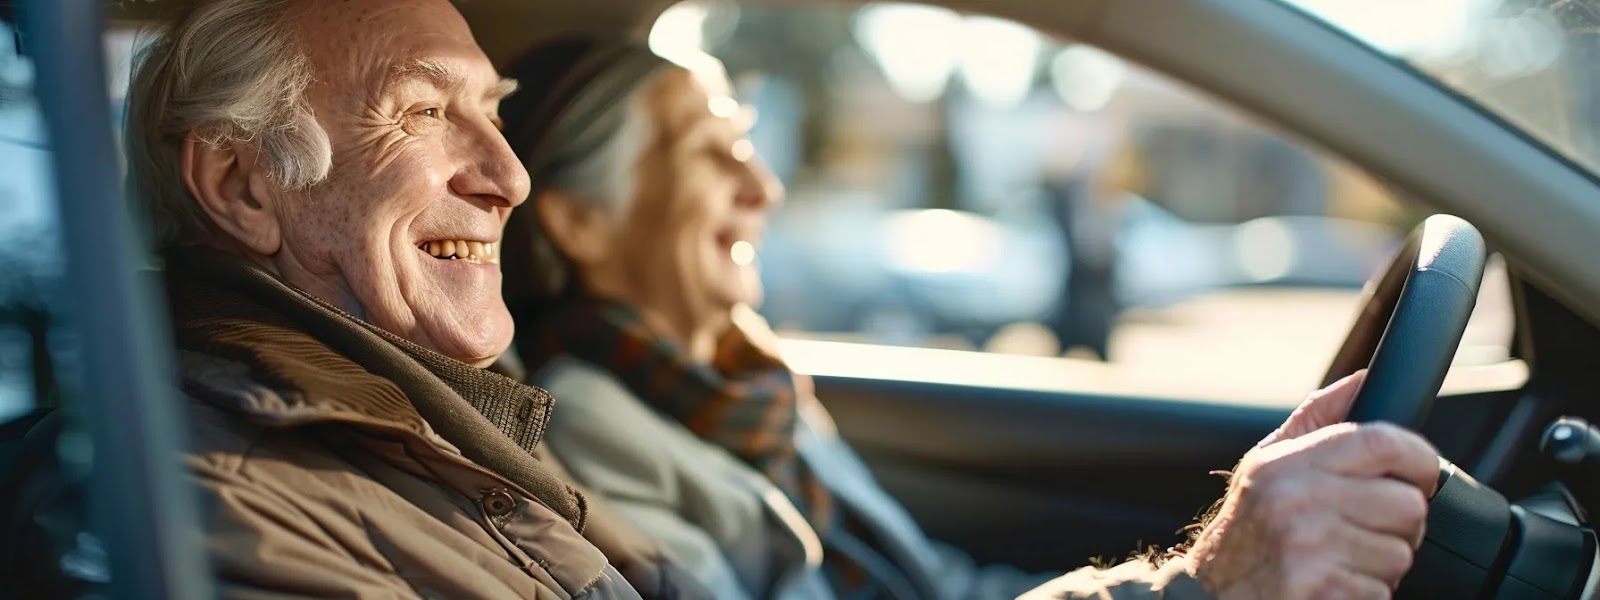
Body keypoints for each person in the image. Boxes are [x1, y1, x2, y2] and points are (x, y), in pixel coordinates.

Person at [497, 36, 1439, 600]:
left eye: (745, 145)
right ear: (579, 222)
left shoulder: (749, 381)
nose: (763, 186)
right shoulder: (584, 432)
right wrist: (1202, 584)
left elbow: (931, 585)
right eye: (708, 156)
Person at [1, 1, 712, 598]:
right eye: (425, 111)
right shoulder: (221, 499)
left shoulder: (448, 416)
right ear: (239, 186)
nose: (511, 177)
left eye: (492, 114)